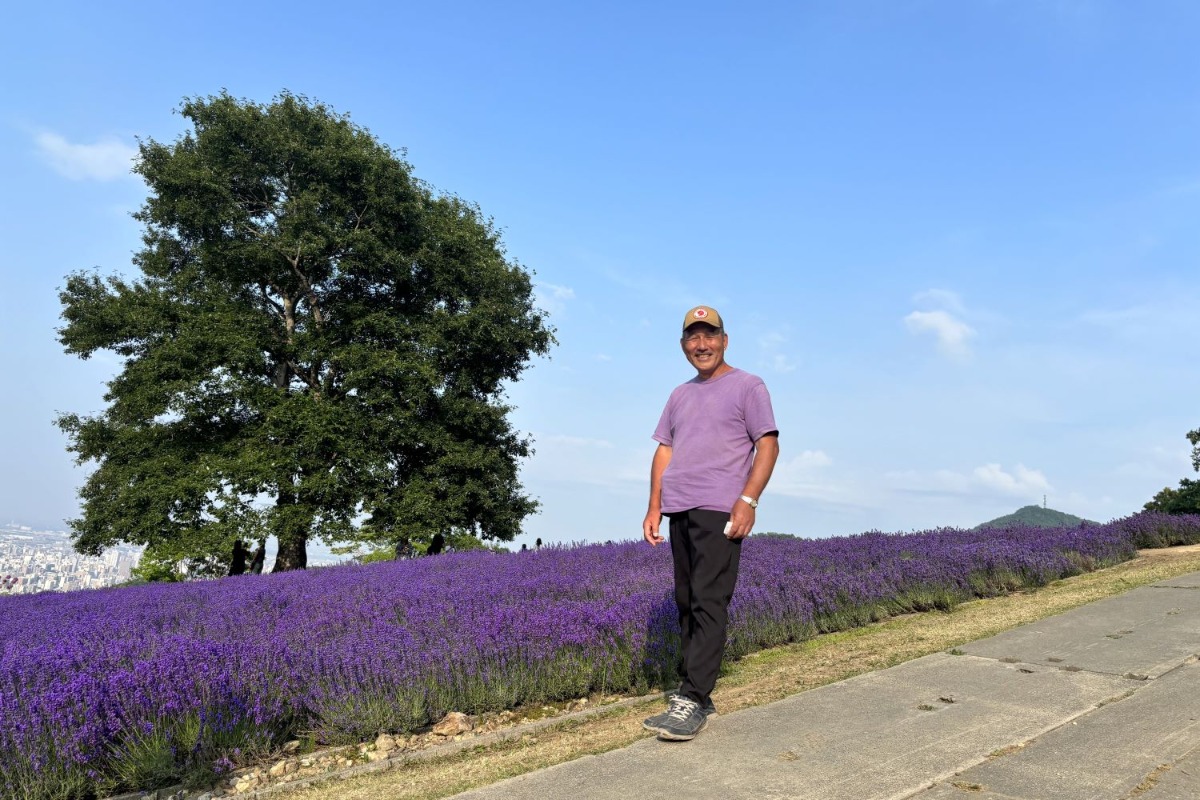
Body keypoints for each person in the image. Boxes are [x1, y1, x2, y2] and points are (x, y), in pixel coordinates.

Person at [641, 305, 780, 742]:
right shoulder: (679, 394)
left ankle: (694, 697)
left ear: (724, 339)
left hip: (720, 507)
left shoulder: (748, 386)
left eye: (709, 336)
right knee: (686, 599)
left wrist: (748, 500)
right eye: (692, 338)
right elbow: (664, 451)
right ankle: (696, 690)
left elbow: (768, 445)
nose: (701, 345)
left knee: (708, 599)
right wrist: (654, 506)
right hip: (680, 506)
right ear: (684, 345)